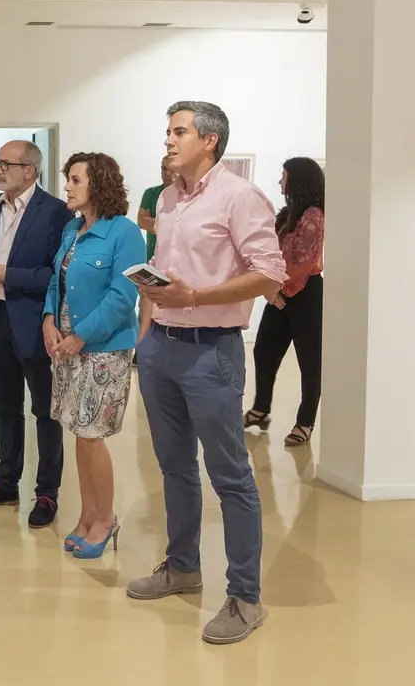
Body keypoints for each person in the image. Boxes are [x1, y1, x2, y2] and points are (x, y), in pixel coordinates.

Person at [131, 101, 286, 645]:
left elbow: (271, 275)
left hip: (211, 351)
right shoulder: (170, 199)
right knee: (174, 468)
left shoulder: (241, 197)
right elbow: (170, 279)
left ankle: (245, 598)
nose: (168, 140)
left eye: (179, 132)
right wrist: (149, 324)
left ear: (210, 141)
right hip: (161, 348)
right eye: (168, 131)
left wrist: (194, 296)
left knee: (231, 477)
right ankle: (182, 567)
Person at [0, 140, 73, 528]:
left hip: (36, 321)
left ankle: (47, 493)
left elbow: (55, 274)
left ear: (30, 170)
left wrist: (9, 274)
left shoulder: (56, 212)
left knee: (45, 411)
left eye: (5, 163)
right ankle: (6, 483)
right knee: (6, 407)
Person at [43, 152, 145, 559]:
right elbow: (57, 281)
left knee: (90, 436)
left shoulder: (125, 233)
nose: (67, 186)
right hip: (67, 348)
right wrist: (49, 319)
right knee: (80, 438)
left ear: (98, 184)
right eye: (67, 179)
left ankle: (106, 519)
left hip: (102, 351)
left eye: (75, 179)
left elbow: (124, 297)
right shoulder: (72, 229)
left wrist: (81, 336)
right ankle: (87, 516)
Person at [244, 157, 325, 446]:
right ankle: (260, 409)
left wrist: (275, 288)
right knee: (264, 350)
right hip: (279, 291)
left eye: (284, 176)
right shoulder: (289, 213)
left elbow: (301, 261)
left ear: (298, 180)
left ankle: (305, 422)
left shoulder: (314, 215)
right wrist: (272, 290)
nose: (280, 181)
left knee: (309, 361)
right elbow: (277, 255)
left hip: (306, 293)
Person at [133, 157, 176, 365]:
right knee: (146, 308)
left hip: (175, 264)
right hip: (152, 261)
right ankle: (142, 350)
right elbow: (141, 221)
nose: (166, 173)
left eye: (170, 169)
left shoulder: (182, 196)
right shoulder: (151, 193)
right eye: (163, 169)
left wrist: (156, 223)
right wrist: (165, 224)